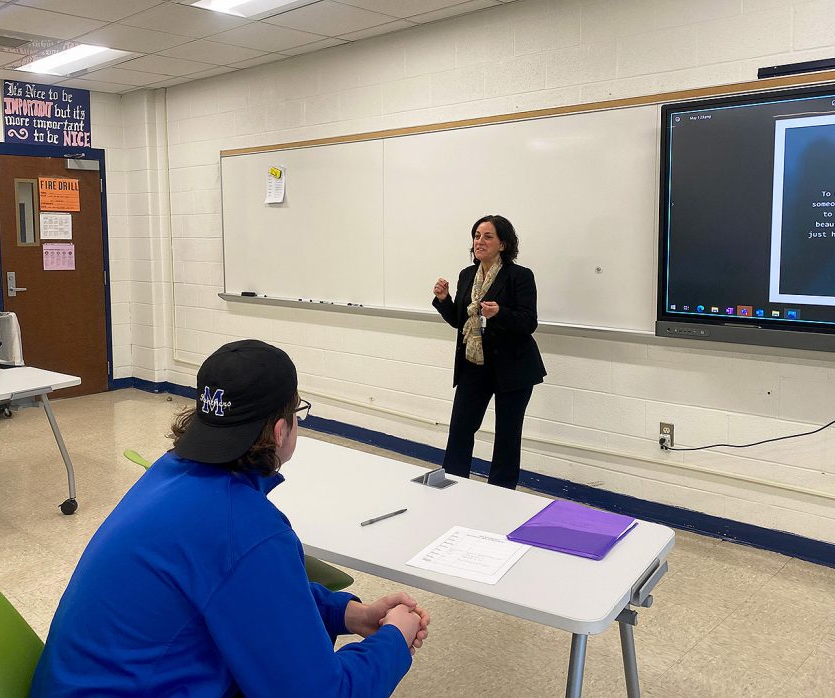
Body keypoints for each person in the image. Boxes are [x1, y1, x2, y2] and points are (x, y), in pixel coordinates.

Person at [31, 339, 431, 697]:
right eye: (298, 413)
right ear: (280, 430)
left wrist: (348, 613)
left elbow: (250, 592)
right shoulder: (245, 528)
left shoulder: (170, 473)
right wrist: (396, 638)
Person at [432, 214, 546, 490]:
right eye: (477, 236)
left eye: (487, 236)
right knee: (460, 429)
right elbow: (462, 321)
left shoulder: (519, 276)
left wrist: (500, 314)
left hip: (513, 369)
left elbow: (529, 322)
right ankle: (453, 483)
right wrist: (444, 301)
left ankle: (501, 493)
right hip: (474, 364)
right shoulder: (467, 274)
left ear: (503, 244)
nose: (479, 241)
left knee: (507, 435)